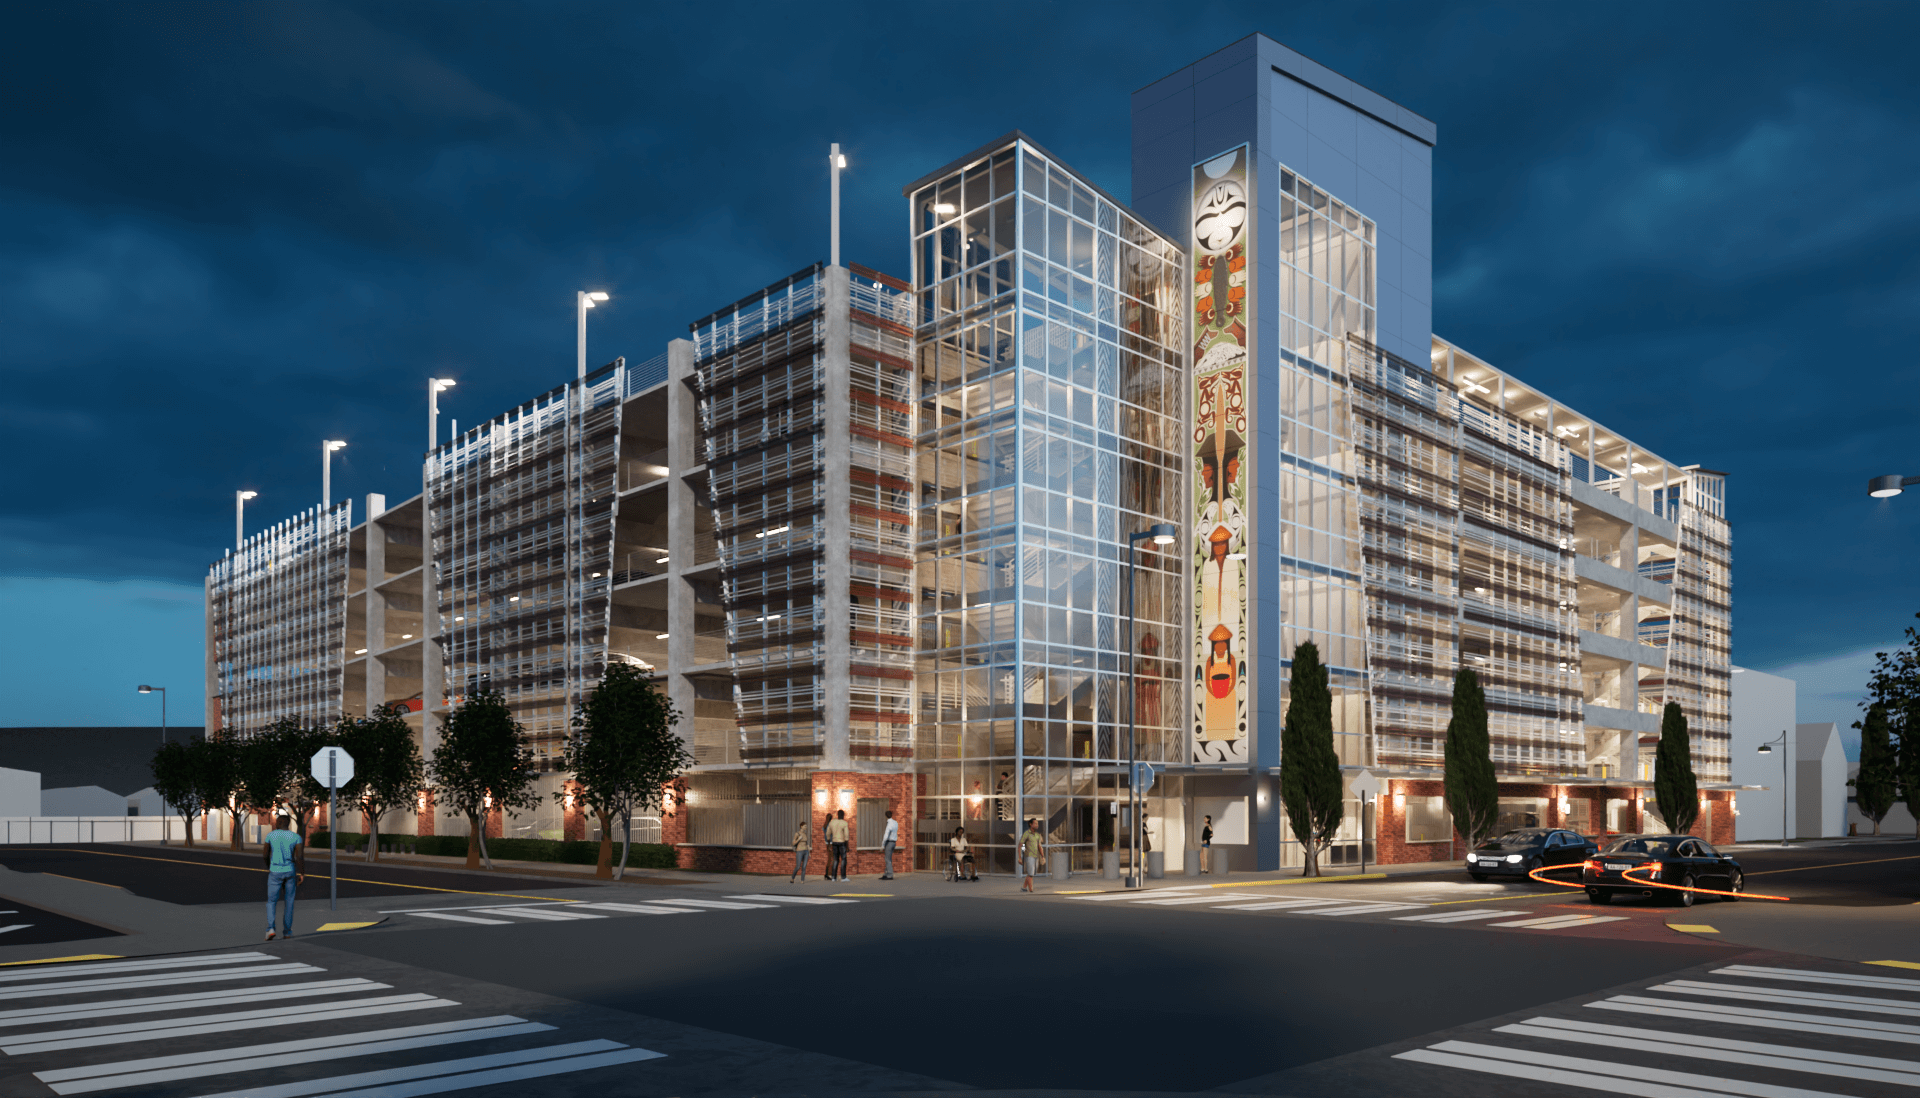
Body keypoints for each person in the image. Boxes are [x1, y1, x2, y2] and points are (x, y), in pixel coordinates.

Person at [262, 813, 304, 941]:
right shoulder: (296, 837)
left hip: (275, 871)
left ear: (278, 823)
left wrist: (269, 866)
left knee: (271, 901)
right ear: (289, 824)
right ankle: (287, 932)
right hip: (290, 871)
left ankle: (270, 929)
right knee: (289, 902)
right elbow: (299, 857)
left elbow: (265, 854)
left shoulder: (271, 835)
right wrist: (302, 873)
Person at [1019, 817, 1044, 892]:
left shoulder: (1037, 835)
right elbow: (1021, 845)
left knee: (1031, 873)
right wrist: (1020, 856)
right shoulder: (1026, 834)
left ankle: (1024, 887)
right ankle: (1031, 890)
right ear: (1030, 824)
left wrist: (1042, 856)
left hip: (1036, 856)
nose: (1037, 825)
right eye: (1035, 823)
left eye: (1037, 823)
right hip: (1029, 856)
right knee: (1031, 874)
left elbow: (1039, 846)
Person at [826, 809, 851, 881]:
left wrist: (828, 844)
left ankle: (834, 877)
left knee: (835, 860)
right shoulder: (844, 823)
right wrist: (847, 846)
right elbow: (846, 835)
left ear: (837, 815)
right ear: (843, 815)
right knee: (843, 859)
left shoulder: (832, 822)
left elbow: (828, 833)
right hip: (842, 843)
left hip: (834, 843)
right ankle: (843, 877)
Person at [790, 817, 811, 883]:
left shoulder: (805, 834)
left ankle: (802, 880)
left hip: (806, 851)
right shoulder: (797, 834)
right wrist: (799, 839)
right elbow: (793, 843)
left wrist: (809, 851)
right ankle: (792, 878)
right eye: (805, 826)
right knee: (798, 866)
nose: (806, 827)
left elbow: (807, 843)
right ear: (801, 826)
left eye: (806, 826)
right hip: (799, 851)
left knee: (804, 866)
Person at [880, 809, 898, 880]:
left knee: (887, 859)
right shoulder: (895, 822)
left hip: (889, 842)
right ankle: (886, 873)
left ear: (885, 816)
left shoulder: (889, 824)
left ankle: (889, 875)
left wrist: (882, 845)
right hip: (894, 842)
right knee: (888, 859)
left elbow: (886, 835)